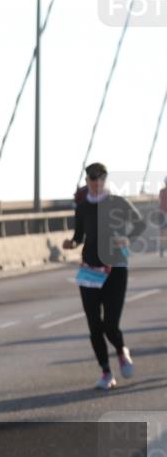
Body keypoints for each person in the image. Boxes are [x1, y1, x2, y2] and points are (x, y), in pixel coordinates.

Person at [62, 162, 146, 390]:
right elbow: (80, 235)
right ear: (87, 181)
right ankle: (106, 372)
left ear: (105, 180)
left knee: (110, 324)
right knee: (93, 325)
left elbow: (140, 224)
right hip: (90, 268)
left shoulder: (118, 203)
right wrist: (72, 242)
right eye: (92, 179)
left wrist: (127, 239)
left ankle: (121, 350)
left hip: (115, 268)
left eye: (100, 179)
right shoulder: (82, 208)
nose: (97, 183)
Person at [159, 176, 167, 257]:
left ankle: (161, 249)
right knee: (162, 233)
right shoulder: (162, 191)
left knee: (162, 233)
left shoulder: (161, 191)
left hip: (162, 213)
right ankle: (161, 249)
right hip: (163, 213)